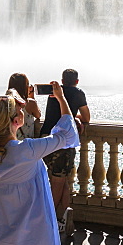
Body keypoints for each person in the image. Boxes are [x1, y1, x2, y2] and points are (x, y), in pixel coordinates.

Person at [0, 83, 79, 245]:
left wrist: (10, 98)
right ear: (16, 121)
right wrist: (61, 98)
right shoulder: (26, 151)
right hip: (27, 242)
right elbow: (67, 135)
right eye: (18, 109)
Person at [40, 68, 89, 228]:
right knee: (58, 181)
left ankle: (65, 216)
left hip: (45, 137)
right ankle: (51, 220)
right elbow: (86, 117)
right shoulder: (77, 93)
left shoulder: (53, 92)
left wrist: (72, 116)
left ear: (62, 80)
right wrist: (76, 117)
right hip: (62, 141)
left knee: (62, 180)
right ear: (76, 81)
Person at [7, 73, 42, 140]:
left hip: (8, 143)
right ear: (24, 86)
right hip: (25, 144)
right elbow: (38, 115)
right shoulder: (30, 103)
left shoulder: (4, 102)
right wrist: (32, 96)